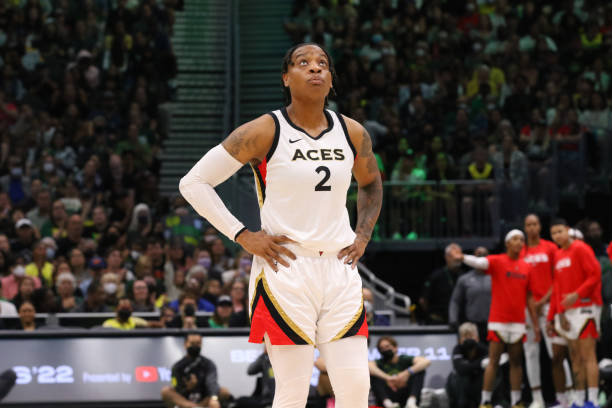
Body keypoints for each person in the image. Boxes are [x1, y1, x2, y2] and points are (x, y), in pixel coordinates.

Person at [179, 43, 382, 408]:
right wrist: (241, 235)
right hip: (285, 268)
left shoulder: (352, 133)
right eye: (303, 63)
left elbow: (370, 182)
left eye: (322, 64)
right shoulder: (265, 130)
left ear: (331, 79)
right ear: (287, 78)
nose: (315, 69)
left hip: (340, 269)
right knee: (292, 390)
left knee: (355, 388)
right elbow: (193, 183)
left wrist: (364, 233)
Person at [449, 230, 538, 408]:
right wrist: (462, 257)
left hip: (519, 322)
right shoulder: (497, 261)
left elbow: (529, 298)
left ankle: (516, 400)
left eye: (521, 239)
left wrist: (535, 324)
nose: (519, 242)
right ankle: (485, 400)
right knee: (493, 361)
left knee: (516, 362)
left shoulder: (527, 267)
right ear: (507, 243)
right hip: (498, 321)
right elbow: (480, 262)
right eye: (515, 239)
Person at [547, 219, 602, 408]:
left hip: (585, 307)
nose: (557, 236)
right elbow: (558, 287)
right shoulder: (558, 255)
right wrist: (559, 314)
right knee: (575, 357)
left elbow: (595, 274)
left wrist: (577, 294)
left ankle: (593, 400)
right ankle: (578, 400)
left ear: (568, 230)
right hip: (567, 311)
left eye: (560, 231)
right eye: (553, 233)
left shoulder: (580, 248)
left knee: (588, 355)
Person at [520, 214, 570, 408]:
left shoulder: (550, 248)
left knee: (556, 352)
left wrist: (543, 301)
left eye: (535, 224)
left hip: (549, 305)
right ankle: (537, 398)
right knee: (530, 352)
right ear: (525, 227)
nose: (532, 228)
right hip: (527, 307)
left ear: (540, 227)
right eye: (528, 225)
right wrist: (532, 303)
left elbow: (557, 277)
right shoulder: (520, 251)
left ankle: (569, 393)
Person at [161, 333, 222, 408]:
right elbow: (176, 386)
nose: (195, 346)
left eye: (198, 343)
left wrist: (213, 398)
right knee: (166, 391)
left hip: (204, 400)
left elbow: (212, 383)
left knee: (222, 391)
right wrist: (188, 388)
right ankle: (194, 407)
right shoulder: (177, 366)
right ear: (185, 344)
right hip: (185, 401)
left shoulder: (208, 364)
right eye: (192, 343)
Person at [368, 335, 431, 408]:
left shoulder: (404, 359)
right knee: (374, 374)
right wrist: (388, 378)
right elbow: (368, 366)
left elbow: (426, 361)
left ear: (395, 348)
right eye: (381, 348)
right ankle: (388, 404)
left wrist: (406, 373)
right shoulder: (379, 362)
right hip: (388, 395)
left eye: (387, 346)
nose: (385, 350)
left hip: (405, 393)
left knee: (419, 371)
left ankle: (411, 402)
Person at [448, 247, 491, 340]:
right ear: (473, 258)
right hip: (472, 325)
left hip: (493, 324)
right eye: (478, 255)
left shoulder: (496, 277)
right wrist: (453, 319)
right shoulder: (465, 279)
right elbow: (455, 301)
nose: (481, 258)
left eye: (484, 255)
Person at [446, 323, 489, 408]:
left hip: (480, 385)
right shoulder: (457, 349)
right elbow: (460, 369)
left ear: (477, 338)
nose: (468, 340)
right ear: (460, 339)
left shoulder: (483, 349)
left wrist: (470, 366)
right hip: (462, 388)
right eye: (465, 337)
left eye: (471, 336)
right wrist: (479, 364)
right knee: (455, 376)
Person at [420, 243, 464, 324]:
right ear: (446, 257)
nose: (456, 258)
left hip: (459, 319)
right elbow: (423, 301)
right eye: (453, 255)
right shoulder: (436, 276)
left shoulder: (464, 277)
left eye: (459, 255)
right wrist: (431, 315)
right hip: (438, 320)